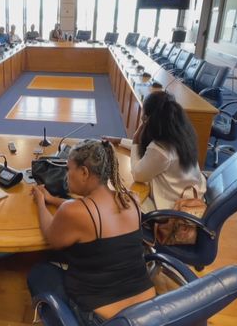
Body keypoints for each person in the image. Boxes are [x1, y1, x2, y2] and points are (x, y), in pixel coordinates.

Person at [28, 139, 155, 325]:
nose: (66, 174)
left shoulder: (75, 212)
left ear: (84, 172)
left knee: (39, 272)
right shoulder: (130, 199)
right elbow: (89, 213)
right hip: (147, 312)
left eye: (69, 169)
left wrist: (40, 201)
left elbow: (51, 236)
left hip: (103, 318)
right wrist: (54, 200)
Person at [104, 91, 206, 211]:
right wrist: (120, 141)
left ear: (148, 119)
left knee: (122, 203)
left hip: (173, 207)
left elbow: (138, 175)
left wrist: (137, 138)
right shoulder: (181, 135)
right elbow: (149, 151)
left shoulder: (161, 148)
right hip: (192, 193)